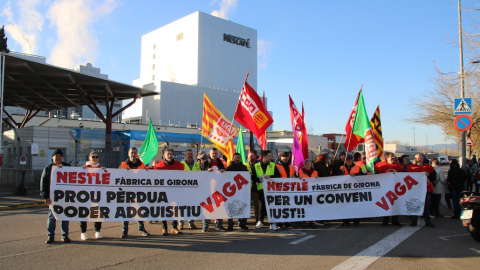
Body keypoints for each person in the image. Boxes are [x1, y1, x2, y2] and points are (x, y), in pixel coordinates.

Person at [41, 149, 71, 244]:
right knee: (52, 217)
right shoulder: (48, 168)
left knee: (65, 216)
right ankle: (50, 236)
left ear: (62, 157)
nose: (58, 157)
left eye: (60, 156)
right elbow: (43, 183)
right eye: (56, 156)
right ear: (52, 157)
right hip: (53, 197)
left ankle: (64, 235)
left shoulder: (67, 167)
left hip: (65, 196)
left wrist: (64, 169)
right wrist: (45, 196)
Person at [119, 147, 150, 238]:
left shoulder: (142, 164)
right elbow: (118, 176)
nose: (133, 154)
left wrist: (147, 172)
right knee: (126, 211)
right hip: (127, 191)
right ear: (128, 154)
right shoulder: (124, 165)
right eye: (132, 153)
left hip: (139, 190)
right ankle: (124, 230)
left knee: (139, 210)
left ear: (137, 154)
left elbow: (146, 175)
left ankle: (141, 229)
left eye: (135, 153)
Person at [154, 148, 185, 235]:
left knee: (175, 209)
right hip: (164, 192)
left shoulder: (179, 166)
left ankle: (174, 227)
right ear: (164, 155)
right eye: (167, 154)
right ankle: (164, 228)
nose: (169, 156)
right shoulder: (158, 166)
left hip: (175, 191)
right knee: (164, 209)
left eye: (171, 154)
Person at [252, 150, 282, 231]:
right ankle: (260, 221)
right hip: (260, 189)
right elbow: (252, 177)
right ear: (264, 157)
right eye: (269, 156)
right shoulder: (256, 165)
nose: (271, 157)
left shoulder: (273, 165)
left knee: (271, 205)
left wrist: (271, 177)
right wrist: (258, 179)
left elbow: (278, 176)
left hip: (271, 189)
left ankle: (272, 223)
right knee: (262, 206)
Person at [79, 151, 105, 240]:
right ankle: (83, 232)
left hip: (98, 193)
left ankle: (97, 231)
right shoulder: (85, 168)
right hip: (86, 193)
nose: (95, 158)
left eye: (96, 157)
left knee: (98, 213)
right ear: (89, 158)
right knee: (84, 213)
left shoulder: (101, 168)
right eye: (93, 157)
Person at [406, 153, 436, 227]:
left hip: (426, 190)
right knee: (414, 205)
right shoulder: (410, 167)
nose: (417, 159)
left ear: (423, 159)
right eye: (416, 158)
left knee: (426, 206)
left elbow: (434, 176)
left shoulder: (428, 167)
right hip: (414, 190)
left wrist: (429, 174)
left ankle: (427, 221)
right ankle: (414, 221)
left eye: (419, 158)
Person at [374, 152, 403, 226]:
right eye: (391, 157)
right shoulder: (381, 165)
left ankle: (395, 220)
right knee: (386, 203)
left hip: (395, 188)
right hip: (385, 188)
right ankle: (385, 220)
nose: (393, 158)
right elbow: (376, 175)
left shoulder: (397, 166)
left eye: (393, 157)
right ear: (387, 158)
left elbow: (403, 173)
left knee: (395, 204)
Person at [202, 147, 226, 232]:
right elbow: (200, 174)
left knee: (219, 207)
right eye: (213, 153)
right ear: (210, 154)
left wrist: (223, 171)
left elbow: (225, 174)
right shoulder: (205, 163)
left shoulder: (221, 163)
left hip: (218, 188)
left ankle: (219, 225)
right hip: (208, 188)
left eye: (216, 153)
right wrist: (206, 171)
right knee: (207, 207)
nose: (214, 155)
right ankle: (205, 225)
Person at [226, 153, 249, 231]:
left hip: (241, 191)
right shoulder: (229, 168)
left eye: (238, 157)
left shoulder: (244, 168)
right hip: (232, 191)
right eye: (236, 157)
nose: (237, 159)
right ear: (233, 158)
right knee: (231, 207)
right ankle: (230, 224)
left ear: (240, 158)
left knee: (241, 206)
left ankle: (242, 223)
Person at [340, 154, 364, 226]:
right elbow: (336, 177)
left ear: (352, 160)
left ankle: (356, 221)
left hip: (355, 189)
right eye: (347, 160)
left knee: (355, 206)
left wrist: (355, 176)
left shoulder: (357, 167)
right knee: (345, 206)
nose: (348, 161)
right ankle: (345, 221)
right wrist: (341, 172)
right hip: (345, 190)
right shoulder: (341, 167)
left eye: (350, 160)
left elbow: (362, 177)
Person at [178, 149, 200, 230]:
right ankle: (181, 223)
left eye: (191, 154)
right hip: (183, 189)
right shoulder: (181, 164)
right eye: (188, 154)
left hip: (193, 189)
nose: (190, 155)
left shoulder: (197, 164)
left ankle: (191, 223)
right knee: (182, 207)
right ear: (185, 155)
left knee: (192, 206)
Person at [245, 150, 261, 228]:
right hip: (246, 189)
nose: (251, 157)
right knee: (245, 205)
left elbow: (260, 176)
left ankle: (257, 220)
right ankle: (243, 220)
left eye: (252, 156)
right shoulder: (245, 165)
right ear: (248, 157)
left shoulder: (258, 166)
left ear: (255, 156)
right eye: (250, 156)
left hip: (256, 188)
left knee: (257, 206)